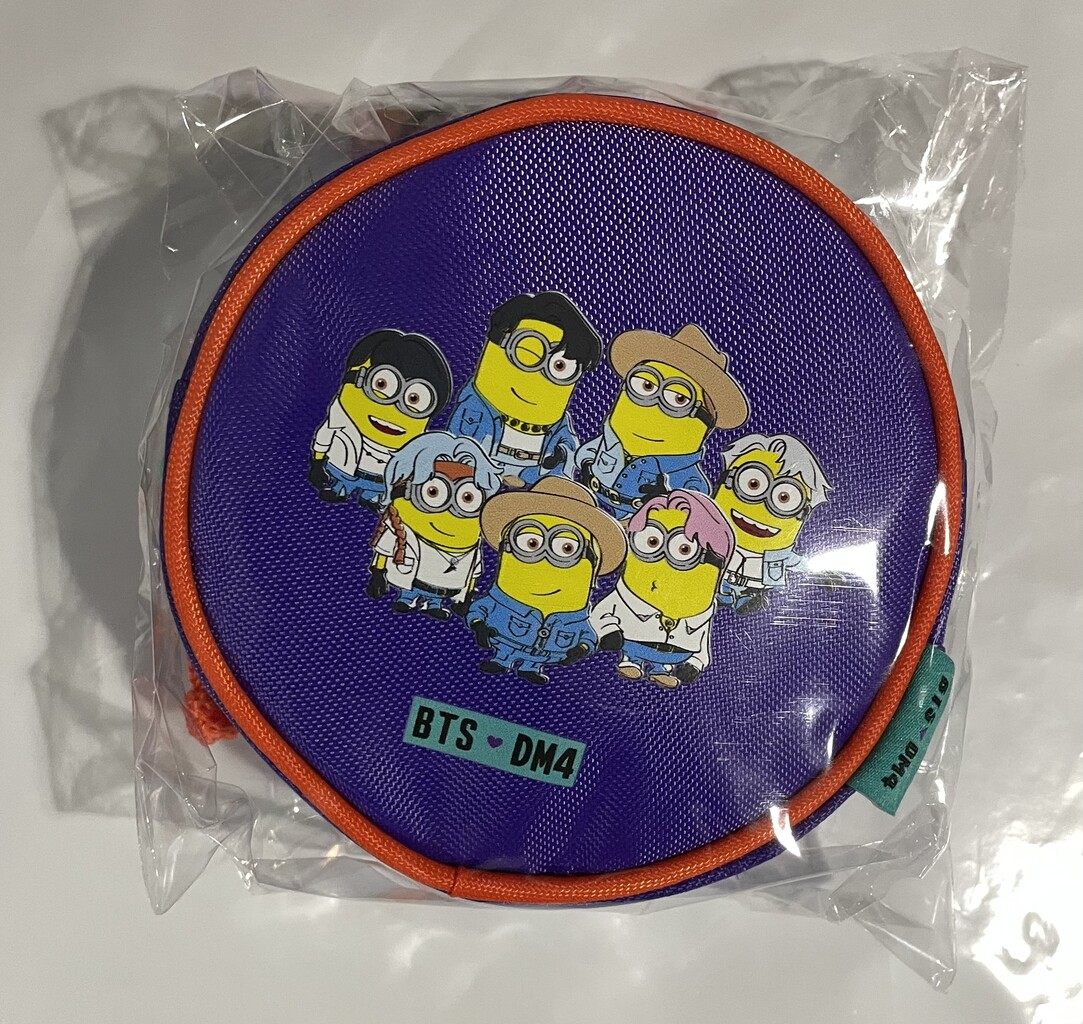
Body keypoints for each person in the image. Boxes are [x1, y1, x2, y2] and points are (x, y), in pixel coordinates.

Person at [575, 324, 749, 518]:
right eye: (646, 386)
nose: (652, 408)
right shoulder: (608, 441)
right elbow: (588, 452)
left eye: (679, 399)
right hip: (590, 505)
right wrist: (586, 462)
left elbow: (694, 500)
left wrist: (669, 501)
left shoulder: (686, 476)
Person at [465, 477, 626, 685]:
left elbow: (588, 636)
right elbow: (479, 610)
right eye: (531, 543)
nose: (544, 562)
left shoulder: (576, 618)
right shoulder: (498, 601)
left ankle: (530, 667)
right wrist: (479, 626)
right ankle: (502, 660)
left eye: (567, 548)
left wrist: (581, 649)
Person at [448, 292, 603, 487]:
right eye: (527, 352)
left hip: (535, 488)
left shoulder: (559, 425)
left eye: (560, 367)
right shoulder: (474, 409)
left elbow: (565, 458)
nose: (538, 377)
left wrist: (540, 478)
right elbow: (459, 453)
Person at [591, 490, 734, 688]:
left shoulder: (700, 615)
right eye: (652, 542)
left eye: (685, 549)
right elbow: (601, 613)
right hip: (633, 641)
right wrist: (608, 631)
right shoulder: (624, 600)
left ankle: (661, 670)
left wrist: (695, 663)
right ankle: (631, 661)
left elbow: (703, 641)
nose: (664, 563)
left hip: (676, 654)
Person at [309, 329, 453, 507]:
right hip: (342, 469)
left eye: (414, 399)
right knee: (341, 485)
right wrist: (317, 462)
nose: (394, 409)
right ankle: (341, 489)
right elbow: (324, 437)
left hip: (379, 481)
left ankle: (371, 498)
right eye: (381, 384)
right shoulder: (339, 419)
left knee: (374, 494)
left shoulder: (415, 445)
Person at [368, 433, 502, 619]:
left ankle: (434, 604)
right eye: (433, 492)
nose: (450, 509)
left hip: (446, 584)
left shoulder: (471, 536)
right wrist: (378, 573)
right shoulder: (403, 523)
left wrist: (467, 594)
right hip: (410, 576)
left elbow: (474, 568)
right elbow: (385, 547)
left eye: (467, 497)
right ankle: (407, 598)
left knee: (436, 594)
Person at [713, 433, 831, 615]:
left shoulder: (779, 555)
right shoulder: (709, 536)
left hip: (751, 590)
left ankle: (744, 599)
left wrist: (821, 573)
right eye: (752, 484)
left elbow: (798, 563)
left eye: (784, 498)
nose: (761, 507)